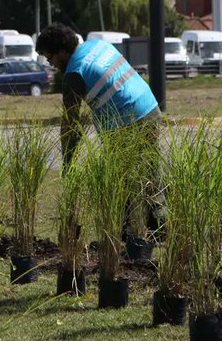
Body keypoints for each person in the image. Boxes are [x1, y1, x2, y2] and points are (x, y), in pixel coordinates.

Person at [35, 23, 163, 235]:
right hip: (149, 107)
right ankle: (159, 225)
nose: (52, 64)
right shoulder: (97, 45)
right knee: (150, 169)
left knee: (119, 178)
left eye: (51, 58)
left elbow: (71, 125)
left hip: (124, 122)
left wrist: (67, 164)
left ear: (62, 51)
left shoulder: (74, 73)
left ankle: (126, 233)